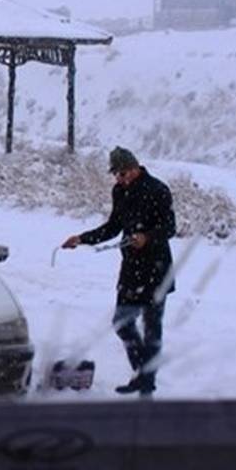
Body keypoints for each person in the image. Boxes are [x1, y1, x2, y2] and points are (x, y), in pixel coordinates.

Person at [62, 147, 176, 396]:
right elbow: (113, 227)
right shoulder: (120, 191)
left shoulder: (158, 190)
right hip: (131, 269)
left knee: (151, 329)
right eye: (116, 174)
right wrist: (82, 239)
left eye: (123, 173)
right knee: (122, 323)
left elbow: (169, 228)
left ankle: (146, 385)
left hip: (157, 269)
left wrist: (146, 237)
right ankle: (142, 372)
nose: (120, 178)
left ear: (135, 167)